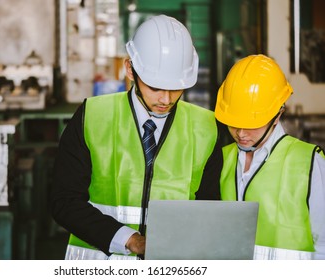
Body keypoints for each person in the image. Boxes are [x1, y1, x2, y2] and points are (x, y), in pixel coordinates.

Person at [50, 14, 223, 260]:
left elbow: (210, 209)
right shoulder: (93, 116)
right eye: (155, 87)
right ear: (130, 69)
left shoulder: (204, 127)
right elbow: (64, 201)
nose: (166, 99)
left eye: (176, 88)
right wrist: (129, 239)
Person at [215, 54, 325, 260]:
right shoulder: (222, 160)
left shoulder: (309, 164)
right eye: (233, 122)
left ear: (278, 114)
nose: (240, 133)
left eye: (251, 123)